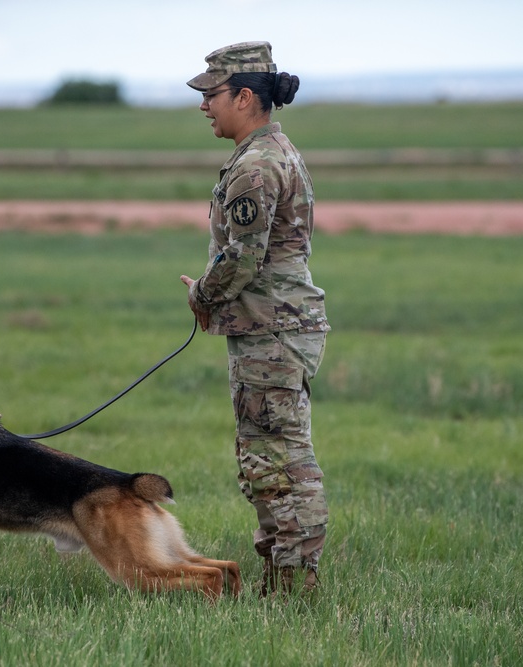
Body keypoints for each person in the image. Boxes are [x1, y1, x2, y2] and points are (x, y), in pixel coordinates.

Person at [179, 41, 330, 597]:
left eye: (211, 94)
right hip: (273, 327)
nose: (204, 106)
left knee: (277, 461)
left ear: (244, 97)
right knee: (271, 455)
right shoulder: (269, 152)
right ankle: (285, 580)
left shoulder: (258, 165)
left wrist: (203, 295)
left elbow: (243, 257)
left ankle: (292, 587)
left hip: (271, 331)